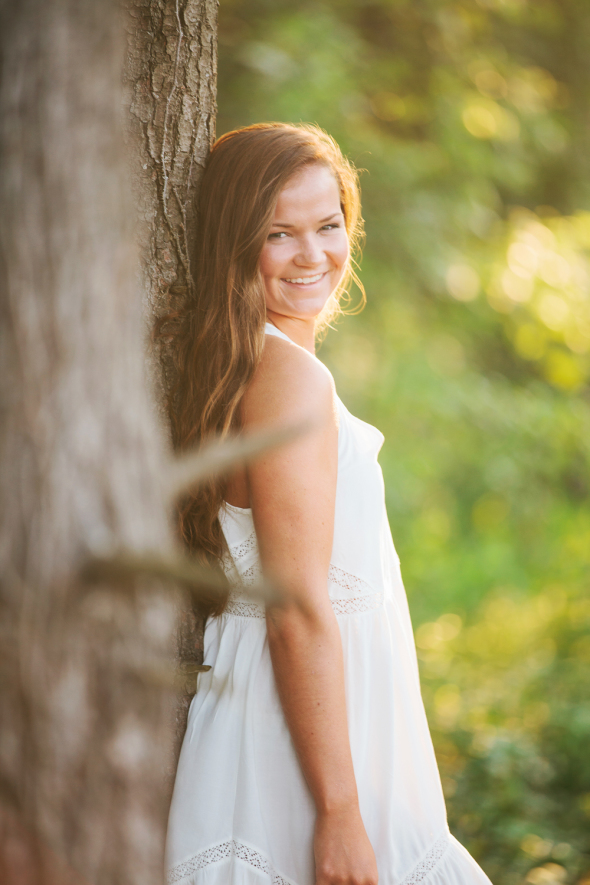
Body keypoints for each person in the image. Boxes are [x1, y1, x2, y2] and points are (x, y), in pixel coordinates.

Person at [165, 123, 492, 885]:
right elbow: (297, 609)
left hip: (306, 734)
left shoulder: (250, 364)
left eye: (328, 224)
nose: (314, 255)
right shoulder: (289, 380)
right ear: (235, 243)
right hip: (297, 762)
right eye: (279, 233)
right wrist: (340, 815)